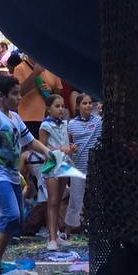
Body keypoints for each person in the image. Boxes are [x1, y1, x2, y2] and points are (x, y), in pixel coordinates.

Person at [0, 73, 53, 275]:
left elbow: (30, 141)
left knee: (15, 221)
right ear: (1, 96)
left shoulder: (14, 118)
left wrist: (48, 152)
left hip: (12, 175)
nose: (19, 98)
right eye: (14, 94)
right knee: (10, 216)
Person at [39, 94, 76, 251]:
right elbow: (42, 148)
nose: (61, 109)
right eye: (57, 106)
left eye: (62, 106)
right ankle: (52, 238)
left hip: (64, 164)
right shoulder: (45, 126)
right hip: (52, 165)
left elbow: (66, 144)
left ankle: (57, 234)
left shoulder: (64, 124)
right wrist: (60, 150)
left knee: (59, 200)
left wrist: (71, 149)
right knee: (52, 201)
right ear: (48, 108)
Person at [65, 93, 101, 234]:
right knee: (75, 201)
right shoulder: (71, 124)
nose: (88, 106)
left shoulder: (99, 121)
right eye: (84, 103)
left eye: (90, 103)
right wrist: (70, 149)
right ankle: (67, 231)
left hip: (95, 169)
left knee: (97, 200)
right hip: (78, 169)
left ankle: (97, 231)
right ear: (78, 106)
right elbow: (67, 144)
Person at [12, 54, 61, 138]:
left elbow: (59, 91)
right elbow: (19, 92)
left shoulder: (52, 68)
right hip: (27, 119)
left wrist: (51, 90)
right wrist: (35, 73)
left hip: (50, 118)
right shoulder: (19, 68)